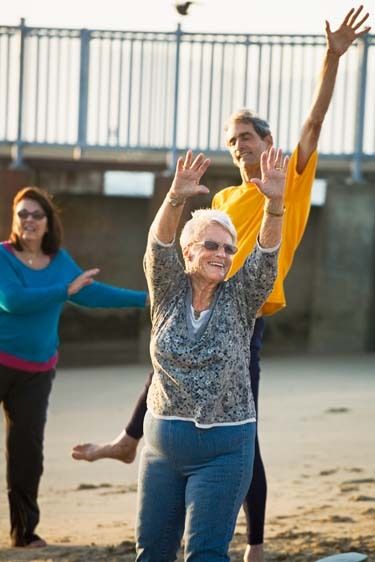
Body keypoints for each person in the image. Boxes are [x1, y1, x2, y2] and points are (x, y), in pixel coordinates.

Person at [72, 7, 371, 562]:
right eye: (231, 142)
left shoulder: (290, 179)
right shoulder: (223, 200)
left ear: (267, 140)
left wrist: (331, 58)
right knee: (166, 371)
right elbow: (179, 252)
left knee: (240, 430)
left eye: (245, 138)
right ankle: (133, 440)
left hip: (243, 319)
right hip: (195, 311)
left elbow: (315, 121)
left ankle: (253, 542)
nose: (238, 147)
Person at [138, 146, 287, 561]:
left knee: (205, 554)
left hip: (224, 450)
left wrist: (275, 204)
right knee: (151, 552)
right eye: (212, 245)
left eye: (228, 249)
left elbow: (266, 259)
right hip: (161, 451)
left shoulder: (241, 298)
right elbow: (157, 246)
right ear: (187, 252)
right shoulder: (167, 291)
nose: (222, 255)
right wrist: (175, 197)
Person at [0, 186, 148, 548]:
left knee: (27, 453)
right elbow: (12, 301)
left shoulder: (61, 262)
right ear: (14, 220)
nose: (29, 220)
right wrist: (64, 291)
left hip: (36, 372)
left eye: (37, 214)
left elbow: (93, 293)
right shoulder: (2, 257)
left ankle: (24, 532)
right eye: (23, 214)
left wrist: (147, 299)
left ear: (49, 222)